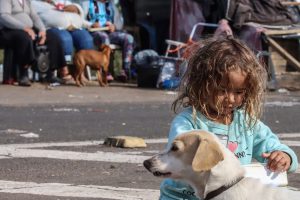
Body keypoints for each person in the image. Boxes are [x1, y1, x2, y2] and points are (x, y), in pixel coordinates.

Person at [159, 37, 299, 200]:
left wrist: (283, 156)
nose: (230, 99)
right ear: (202, 85)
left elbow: (272, 146)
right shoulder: (188, 123)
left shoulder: (246, 123)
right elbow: (177, 162)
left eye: (238, 92)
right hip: (183, 197)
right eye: (222, 90)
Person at [0, 0, 67, 86]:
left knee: (53, 37)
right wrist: (24, 28)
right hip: (8, 30)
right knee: (24, 38)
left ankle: (49, 73)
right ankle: (23, 74)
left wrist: (42, 30)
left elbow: (35, 17)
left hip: (27, 29)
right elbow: (4, 16)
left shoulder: (27, 1)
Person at [32, 0, 95, 81]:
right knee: (65, 39)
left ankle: (80, 72)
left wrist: (76, 8)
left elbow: (78, 13)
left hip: (75, 27)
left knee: (86, 39)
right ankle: (64, 71)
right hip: (52, 28)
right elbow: (38, 18)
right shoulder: (34, 3)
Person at [80, 0, 134, 82]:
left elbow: (119, 22)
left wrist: (114, 26)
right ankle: (105, 71)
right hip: (94, 33)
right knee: (104, 37)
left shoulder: (112, 4)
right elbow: (80, 20)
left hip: (109, 32)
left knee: (128, 38)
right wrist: (91, 24)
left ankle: (125, 71)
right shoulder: (87, 3)